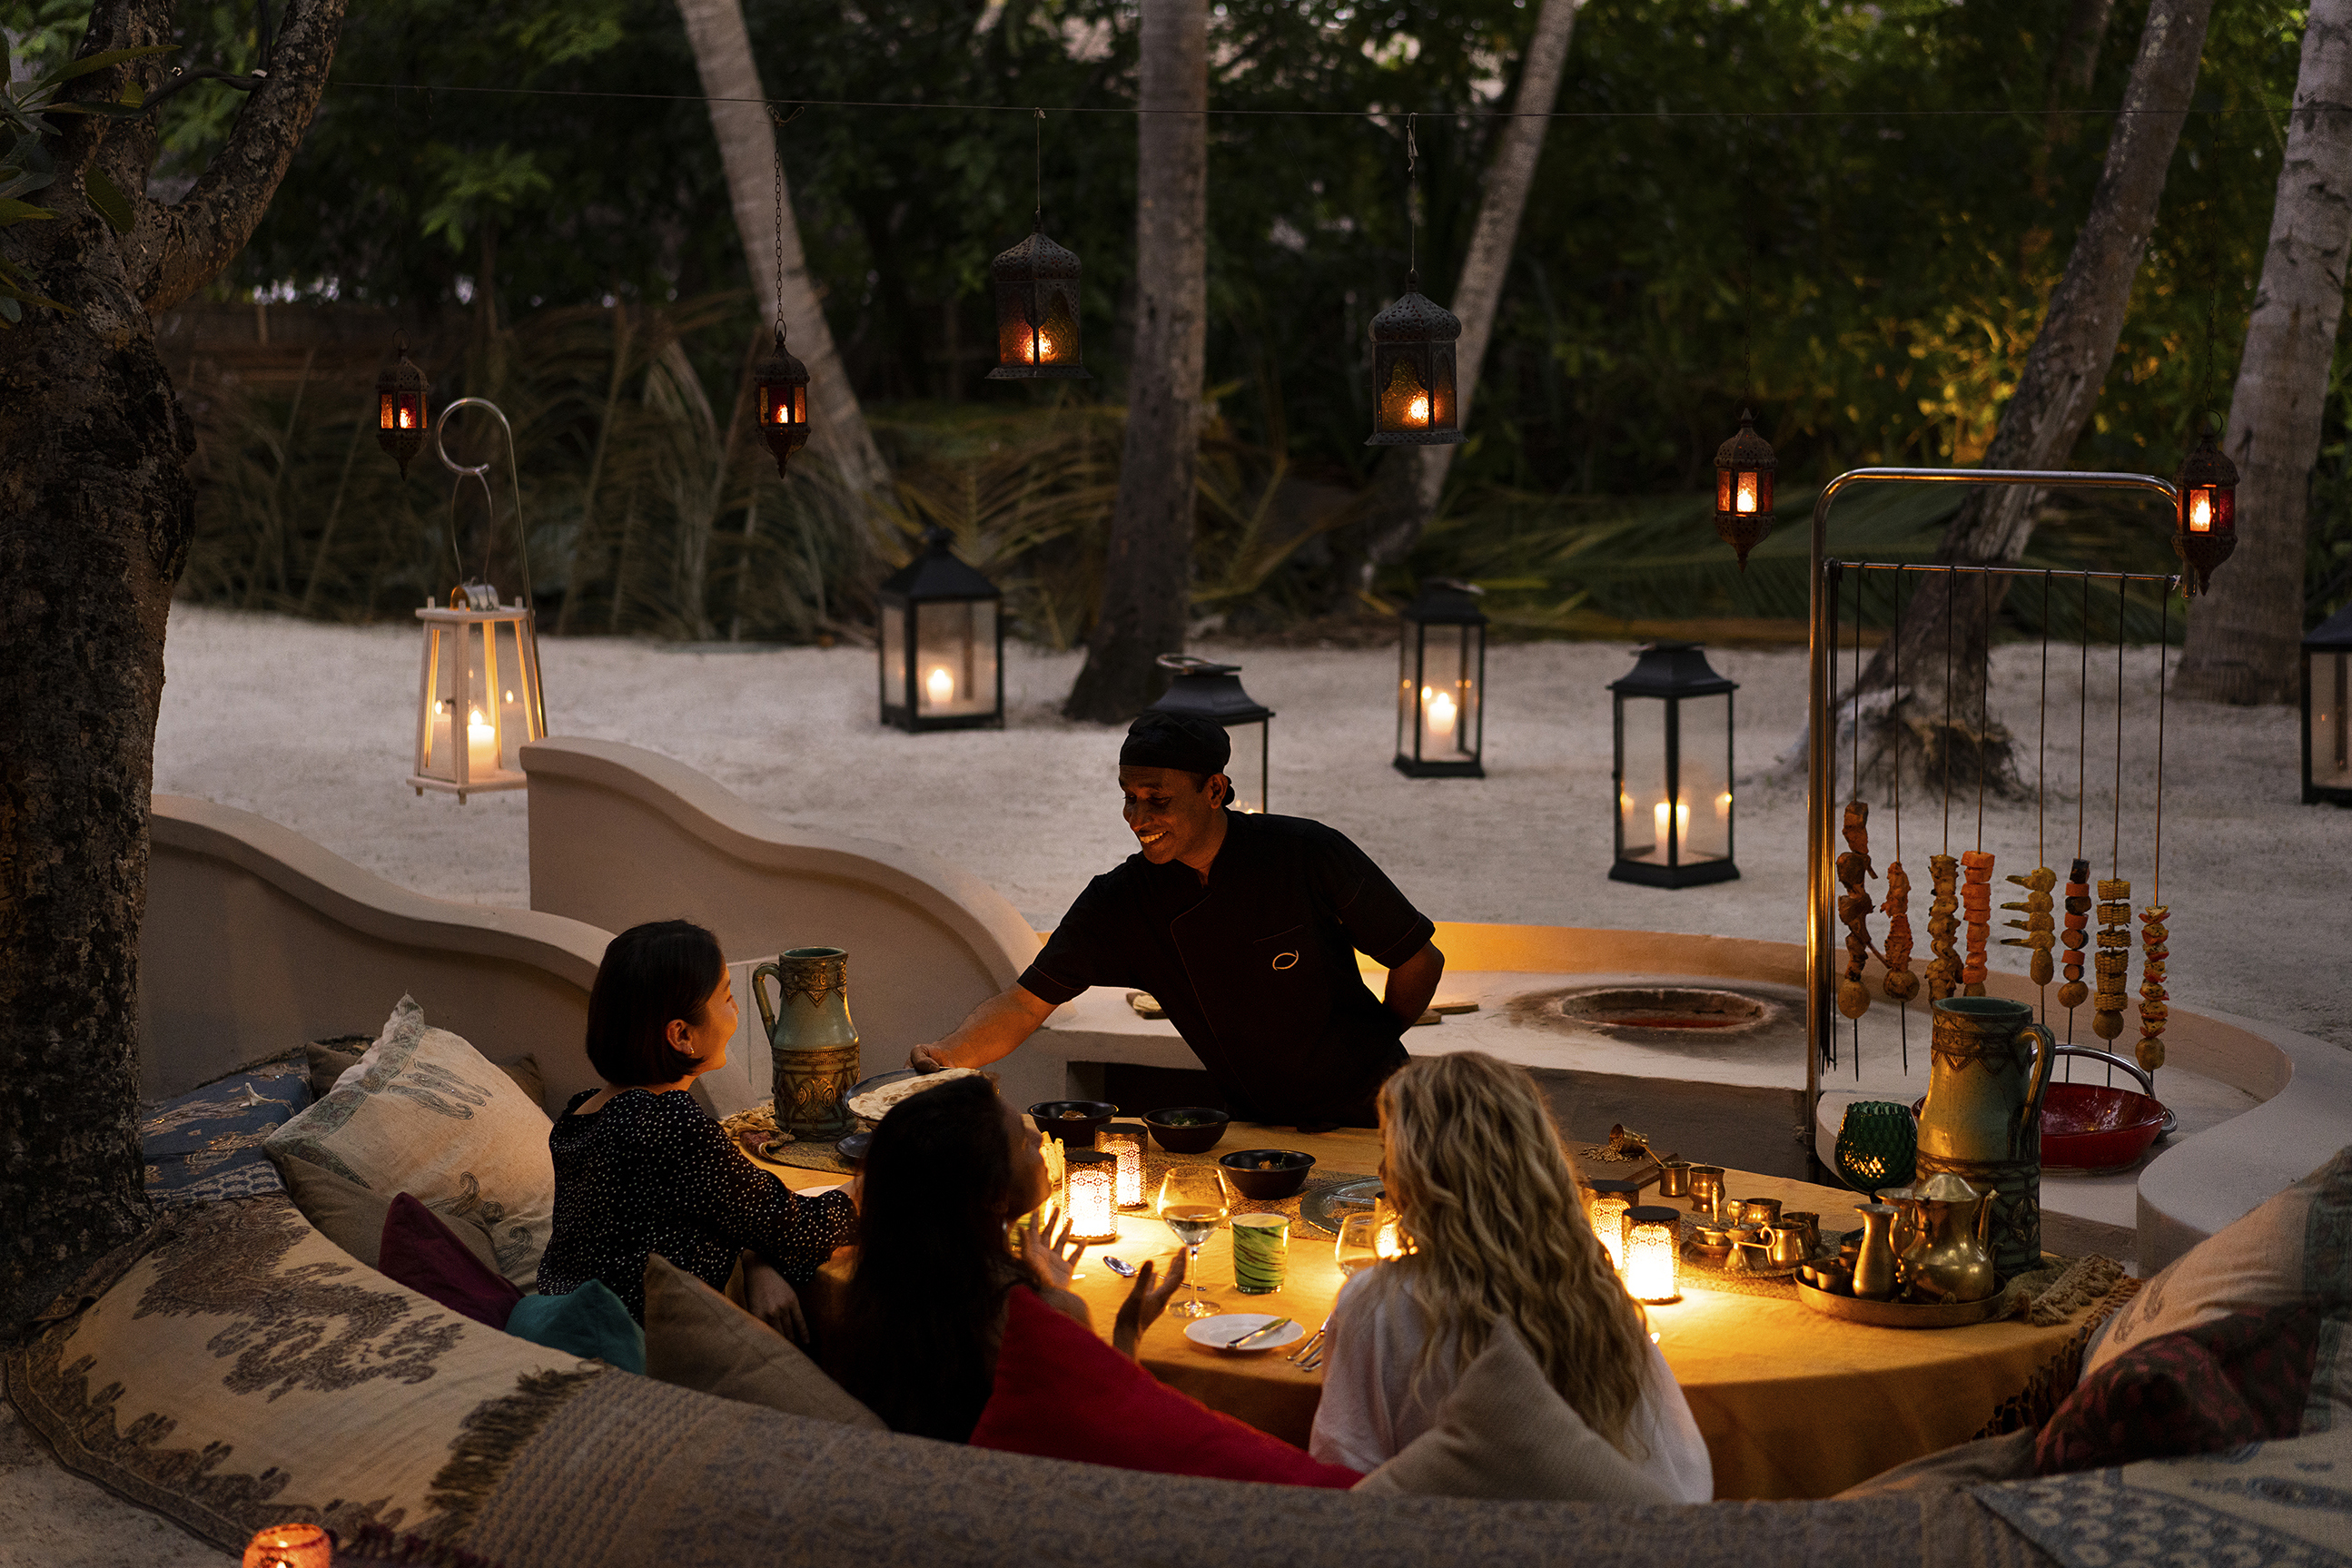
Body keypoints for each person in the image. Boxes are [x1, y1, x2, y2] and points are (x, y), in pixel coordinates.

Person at [909, 711, 1445, 1129]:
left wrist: (1371, 1042)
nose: (1138, 819)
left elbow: (1418, 957)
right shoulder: (1123, 900)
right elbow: (1026, 1003)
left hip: (1377, 1112)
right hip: (1253, 1124)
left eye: (1157, 799)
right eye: (1129, 798)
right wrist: (949, 1054)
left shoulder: (1304, 853)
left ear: (1214, 790)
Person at [1307, 1051, 1714, 1500]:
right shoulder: (1591, 1292)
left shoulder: (1376, 1304)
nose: (1382, 1172)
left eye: (1388, 1150)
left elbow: (1342, 1479)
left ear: (1422, 1171)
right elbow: (1682, 1473)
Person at [824, 1073, 1185, 1441]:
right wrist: (1125, 1330)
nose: (1040, 1138)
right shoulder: (1027, 1315)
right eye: (1022, 1142)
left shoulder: (880, 1293)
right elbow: (1107, 1435)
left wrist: (1039, 1286)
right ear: (995, 1195)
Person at [536, 920, 856, 1332]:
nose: (736, 1008)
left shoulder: (581, 1118)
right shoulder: (665, 1123)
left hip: (571, 1333)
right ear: (682, 1034)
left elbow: (719, 1213)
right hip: (640, 1357)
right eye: (726, 996)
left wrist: (754, 1258)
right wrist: (866, 1189)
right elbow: (794, 1228)